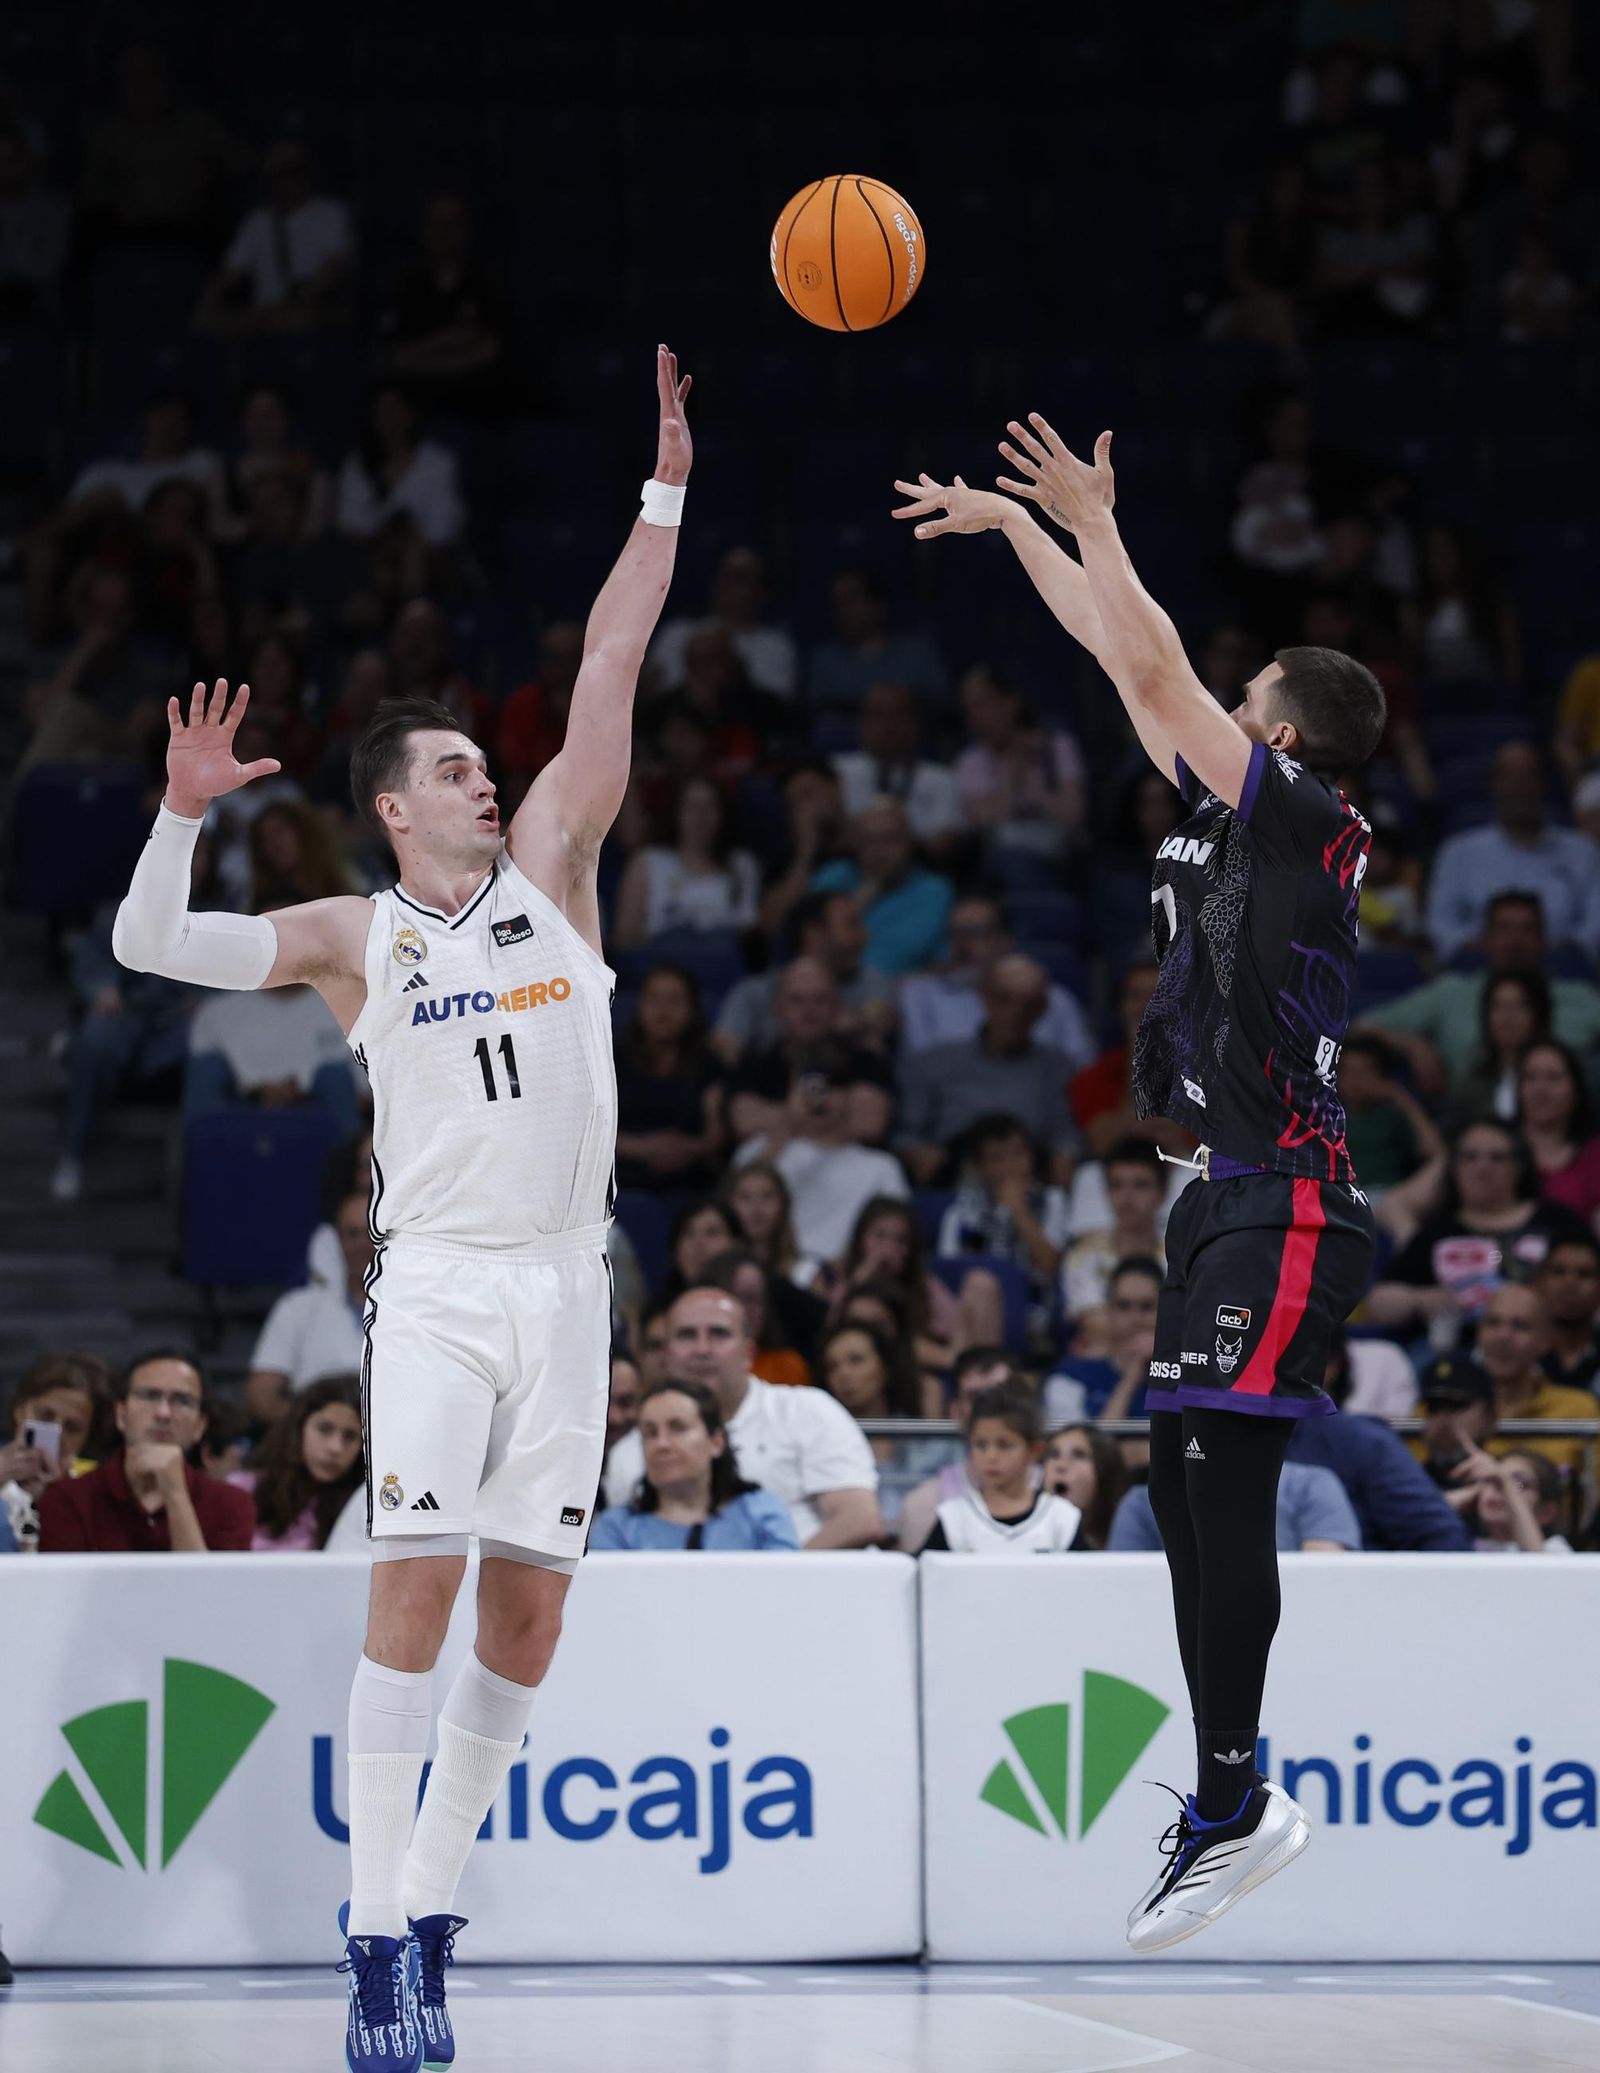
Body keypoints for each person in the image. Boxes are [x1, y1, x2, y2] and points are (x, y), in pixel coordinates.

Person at [109, 347, 693, 2069]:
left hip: (569, 1289)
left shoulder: (561, 870)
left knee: (531, 1620)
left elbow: (610, 660)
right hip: (435, 1286)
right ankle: (374, 1941)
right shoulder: (360, 936)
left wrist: (662, 487)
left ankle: (432, 1896)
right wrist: (177, 815)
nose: (484, 779)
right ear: (391, 802)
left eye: (480, 764)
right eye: (451, 768)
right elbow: (154, 945)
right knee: (411, 1601)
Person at [895, 421, 1385, 1947]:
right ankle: (1229, 1791)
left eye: (1250, 710)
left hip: (1286, 1190)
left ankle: (1239, 1797)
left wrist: (1097, 518)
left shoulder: (1311, 818)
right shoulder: (1230, 810)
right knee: (1176, 1486)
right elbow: (1132, 667)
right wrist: (1017, 533)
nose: (1218, 717)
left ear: (1287, 741)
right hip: (1211, 1197)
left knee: (1223, 1482)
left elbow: (1162, 668)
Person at [602, 1286, 884, 1549]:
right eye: (687, 1335)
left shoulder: (807, 1410)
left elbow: (860, 1519)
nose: (702, 1349)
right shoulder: (631, 1451)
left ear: (749, 1351)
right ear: (665, 1353)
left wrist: (766, 1583)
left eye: (719, 1334)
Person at [1360, 891, 1600, 1105]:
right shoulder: (1450, 992)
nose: (1515, 941)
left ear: (1544, 939)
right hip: (1470, 1131)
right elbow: (1362, 1027)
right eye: (1504, 929)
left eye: (1527, 930)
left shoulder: (1580, 997)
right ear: (1484, 938)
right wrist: (1411, 1044)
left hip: (1568, 1133)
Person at [1366, 1119, 1588, 1343]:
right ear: (1453, 1168)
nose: (1482, 1167)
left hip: (1548, 1347)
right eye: (1470, 1157)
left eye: (1497, 1157)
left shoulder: (1558, 1222)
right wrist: (1420, 1300)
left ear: (1520, 1166)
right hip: (1456, 1355)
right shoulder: (1437, 1233)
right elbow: (1378, 1301)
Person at [37, 1351, 255, 1553]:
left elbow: (212, 1592)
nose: (163, 1413)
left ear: (200, 1425)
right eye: (150, 1396)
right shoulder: (67, 1499)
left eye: (182, 1401)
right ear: (121, 1415)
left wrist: (175, 1495)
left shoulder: (233, 1505)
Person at [896, 956, 1080, 1186]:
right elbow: (905, 1133)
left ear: (1042, 1009)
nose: (1016, 1012)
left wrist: (1065, 1154)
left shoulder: (1057, 1068)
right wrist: (918, 1152)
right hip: (953, 1178)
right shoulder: (934, 1062)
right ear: (984, 997)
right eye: (1005, 999)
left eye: (1029, 1004)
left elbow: (1066, 1136)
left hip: (1030, 1180)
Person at [1424, 743, 1600, 963]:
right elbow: (1440, 923)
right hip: (1477, 970)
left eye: (1528, 777)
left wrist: (1561, 950)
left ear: (1543, 784)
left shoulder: (1584, 851)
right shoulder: (1459, 851)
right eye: (1509, 777)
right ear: (1494, 785)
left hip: (1561, 968)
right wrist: (1480, 948)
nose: (1519, 788)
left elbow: (1595, 924)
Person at [590, 1378, 799, 1550]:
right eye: (650, 1433)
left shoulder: (762, 1512)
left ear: (716, 1442)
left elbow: (784, 1594)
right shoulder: (615, 1529)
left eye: (678, 1428)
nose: (661, 1444)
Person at [897, 893, 1094, 1070]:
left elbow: (1082, 1068)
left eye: (974, 932)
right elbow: (919, 1071)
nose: (961, 944)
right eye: (954, 934)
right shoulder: (921, 994)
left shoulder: (1056, 999)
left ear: (1006, 940)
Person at [936, 1113, 1072, 1356]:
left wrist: (1018, 1211)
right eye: (997, 1157)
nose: (1011, 1164)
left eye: (1018, 1152)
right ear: (979, 1167)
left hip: (1034, 1313)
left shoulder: (1053, 1201)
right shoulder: (960, 1213)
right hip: (972, 1315)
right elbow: (949, 1275)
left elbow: (1051, 1265)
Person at [713, 889, 896, 1064]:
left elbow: (879, 1018)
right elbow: (722, 1046)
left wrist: (856, 1022)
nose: (864, 936)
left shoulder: (872, 981)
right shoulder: (753, 993)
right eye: (852, 925)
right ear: (814, 935)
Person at [196, 137, 353, 333]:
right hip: (264, 313)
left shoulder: (332, 214)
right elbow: (230, 273)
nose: (285, 180)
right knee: (206, 322)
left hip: (311, 309)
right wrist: (208, 301)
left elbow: (336, 266)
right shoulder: (258, 220)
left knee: (299, 320)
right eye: (277, 172)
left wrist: (303, 296)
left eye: (292, 170)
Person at [243, 1193, 374, 1425]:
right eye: (351, 1234)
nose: (361, 1244)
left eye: (371, 1234)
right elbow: (261, 1396)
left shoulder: (418, 1311)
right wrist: (312, 1429)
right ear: (337, 1241)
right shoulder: (297, 1308)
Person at [894, 1346, 1031, 1553]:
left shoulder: (1060, 1502)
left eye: (1001, 1394)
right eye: (977, 1397)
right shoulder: (922, 1506)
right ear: (956, 1411)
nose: (991, 1408)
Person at [919, 1385, 1082, 1553]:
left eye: (1004, 1445)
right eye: (981, 1445)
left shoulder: (1061, 1519)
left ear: (1034, 1451)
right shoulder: (954, 1519)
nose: (991, 1456)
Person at [810, 796, 954, 977]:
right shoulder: (832, 878)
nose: (878, 851)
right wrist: (857, 902)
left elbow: (928, 961)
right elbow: (808, 944)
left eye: (889, 839)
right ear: (856, 844)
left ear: (909, 842)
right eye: (869, 840)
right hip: (828, 987)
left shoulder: (935, 892)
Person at [611, 774, 760, 948]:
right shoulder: (647, 862)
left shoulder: (742, 865)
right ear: (676, 812)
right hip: (659, 962)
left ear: (723, 813)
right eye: (691, 806)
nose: (700, 816)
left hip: (720, 962)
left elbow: (748, 931)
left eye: (709, 806)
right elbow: (624, 937)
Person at [612, 963, 724, 1193]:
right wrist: (643, 1148)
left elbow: (717, 1137)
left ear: (692, 1010)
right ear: (639, 1006)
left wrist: (689, 1149)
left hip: (691, 1178)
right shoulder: (611, 1058)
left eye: (675, 1000)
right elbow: (593, 1129)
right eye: (654, 999)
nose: (663, 1011)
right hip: (619, 1175)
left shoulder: (710, 1064)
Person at [1471, 1282, 1599, 1478]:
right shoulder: (1445, 1405)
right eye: (1493, 1323)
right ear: (1479, 1333)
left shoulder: (1580, 1410)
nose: (1503, 1336)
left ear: (1546, 1340)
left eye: (1520, 1326)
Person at [831, 679, 966, 858]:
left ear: (915, 723)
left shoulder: (942, 779)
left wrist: (885, 845)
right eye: (878, 715)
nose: (889, 724)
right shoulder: (836, 772)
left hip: (917, 877)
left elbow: (944, 843)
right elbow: (828, 837)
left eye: (897, 714)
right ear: (862, 723)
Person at [1108, 1457, 1361, 1552]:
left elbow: (1320, 1578)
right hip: (1169, 1630)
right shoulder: (1142, 1501)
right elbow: (1124, 1586)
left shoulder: (1311, 1483)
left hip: (1292, 1629)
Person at [229, 1377, 365, 1550]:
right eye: (324, 1429)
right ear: (298, 1427)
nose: (335, 1448)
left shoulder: (363, 1507)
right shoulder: (242, 1489)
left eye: (350, 1436)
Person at [0, 1351, 115, 1550]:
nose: (57, 1432)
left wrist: (58, 1498)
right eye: (45, 1416)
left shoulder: (98, 1487)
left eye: (72, 1428)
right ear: (19, 1410)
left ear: (88, 1436)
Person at [1516, 1039, 1600, 1218]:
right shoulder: (1492, 1150)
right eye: (1530, 1077)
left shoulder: (1596, 1154)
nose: (1540, 1088)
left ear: (1576, 1088)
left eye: (1554, 1077)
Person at [1042, 1422, 1130, 1550]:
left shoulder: (1129, 1535)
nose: (1061, 1465)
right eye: (1054, 1455)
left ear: (1105, 1469)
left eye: (1079, 1455)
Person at [1470, 1449, 1574, 1553]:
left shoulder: (1555, 1549)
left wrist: (1507, 1483)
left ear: (1546, 1512)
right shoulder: (1465, 1543)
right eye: (1493, 1480)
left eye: (1519, 1484)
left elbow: (1538, 1566)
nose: (1500, 1488)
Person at [1536, 1236, 1600, 1393]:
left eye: (1585, 1274)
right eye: (1558, 1272)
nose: (1570, 1283)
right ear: (1540, 1282)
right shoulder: (1516, 1351)